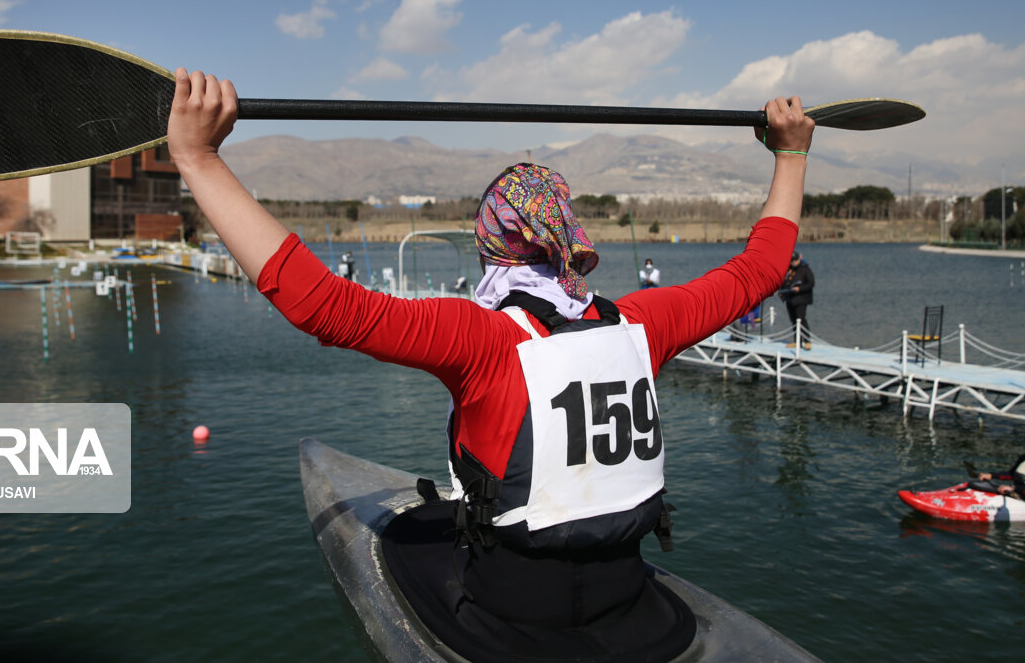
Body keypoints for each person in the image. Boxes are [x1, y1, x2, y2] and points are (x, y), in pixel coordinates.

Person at [166, 68, 814, 662]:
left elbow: (322, 306)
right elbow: (760, 269)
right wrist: (790, 153)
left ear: (489, 247)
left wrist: (199, 158)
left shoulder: (479, 337)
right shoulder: (643, 325)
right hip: (632, 603)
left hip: (510, 620)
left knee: (407, 536)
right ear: (570, 236)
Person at [780, 250, 814, 349]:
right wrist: (782, 291)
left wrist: (800, 288)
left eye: (795, 260)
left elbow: (811, 283)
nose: (793, 262)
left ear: (799, 259)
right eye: (791, 260)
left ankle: (807, 341)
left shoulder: (805, 269)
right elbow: (784, 282)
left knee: (801, 319)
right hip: (790, 298)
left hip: (801, 298)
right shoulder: (789, 270)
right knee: (793, 320)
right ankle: (797, 341)